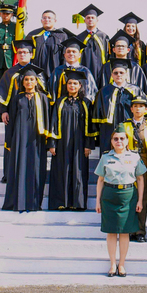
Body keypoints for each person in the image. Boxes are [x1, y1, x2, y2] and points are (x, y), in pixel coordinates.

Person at [95, 126, 147, 277]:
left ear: (127, 141)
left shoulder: (134, 157)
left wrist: (140, 201)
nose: (119, 141)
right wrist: (97, 201)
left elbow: (140, 179)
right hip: (110, 195)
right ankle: (112, 264)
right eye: (115, 139)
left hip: (128, 196)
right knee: (111, 231)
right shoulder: (106, 157)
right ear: (111, 141)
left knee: (124, 232)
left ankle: (122, 264)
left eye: (122, 138)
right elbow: (100, 180)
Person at [2, 65, 50, 212]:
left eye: (32, 79)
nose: (29, 82)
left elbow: (47, 120)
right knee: (19, 167)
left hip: (37, 140)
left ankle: (34, 203)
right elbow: (11, 122)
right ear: (22, 82)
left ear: (36, 82)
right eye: (26, 80)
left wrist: (48, 141)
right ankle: (18, 202)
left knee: (36, 169)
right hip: (20, 138)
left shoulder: (43, 98)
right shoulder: (17, 98)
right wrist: (9, 141)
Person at [47, 70, 91, 211]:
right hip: (62, 142)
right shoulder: (60, 102)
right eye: (70, 83)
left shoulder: (86, 103)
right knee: (62, 170)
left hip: (80, 143)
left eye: (75, 83)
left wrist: (88, 145)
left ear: (80, 85)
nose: (72, 86)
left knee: (78, 171)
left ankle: (77, 203)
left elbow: (90, 125)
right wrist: (52, 143)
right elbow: (53, 122)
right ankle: (61, 202)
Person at [122, 96, 147, 242]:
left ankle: (140, 231)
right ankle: (130, 229)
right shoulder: (124, 125)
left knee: (143, 198)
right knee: (130, 197)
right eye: (135, 106)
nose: (138, 109)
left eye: (141, 106)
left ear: (146, 109)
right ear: (131, 109)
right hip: (129, 164)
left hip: (145, 164)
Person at [90, 58, 145, 154]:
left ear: (126, 74)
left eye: (121, 73)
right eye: (115, 73)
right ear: (112, 75)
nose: (118, 75)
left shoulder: (135, 90)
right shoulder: (104, 92)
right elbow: (97, 115)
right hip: (108, 130)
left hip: (130, 129)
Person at [99, 31, 147, 98]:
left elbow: (141, 90)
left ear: (128, 50)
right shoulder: (106, 67)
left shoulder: (136, 68)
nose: (120, 48)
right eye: (118, 46)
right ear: (114, 50)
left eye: (123, 46)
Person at [48, 37, 99, 104]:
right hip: (61, 107)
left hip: (81, 107)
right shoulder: (57, 71)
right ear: (64, 55)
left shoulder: (86, 72)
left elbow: (91, 93)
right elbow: (52, 92)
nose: (71, 54)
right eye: (68, 52)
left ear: (79, 55)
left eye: (74, 52)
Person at [27, 10, 70, 79]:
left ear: (55, 21)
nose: (47, 20)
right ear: (41, 20)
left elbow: (64, 55)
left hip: (55, 71)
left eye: (49, 18)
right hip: (36, 72)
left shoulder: (61, 36)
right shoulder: (33, 35)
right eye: (44, 18)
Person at [76, 4, 112, 80]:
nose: (90, 19)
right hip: (84, 73)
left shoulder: (104, 37)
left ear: (97, 20)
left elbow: (108, 56)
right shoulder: (79, 38)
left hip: (101, 72)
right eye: (88, 18)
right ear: (84, 20)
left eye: (92, 18)